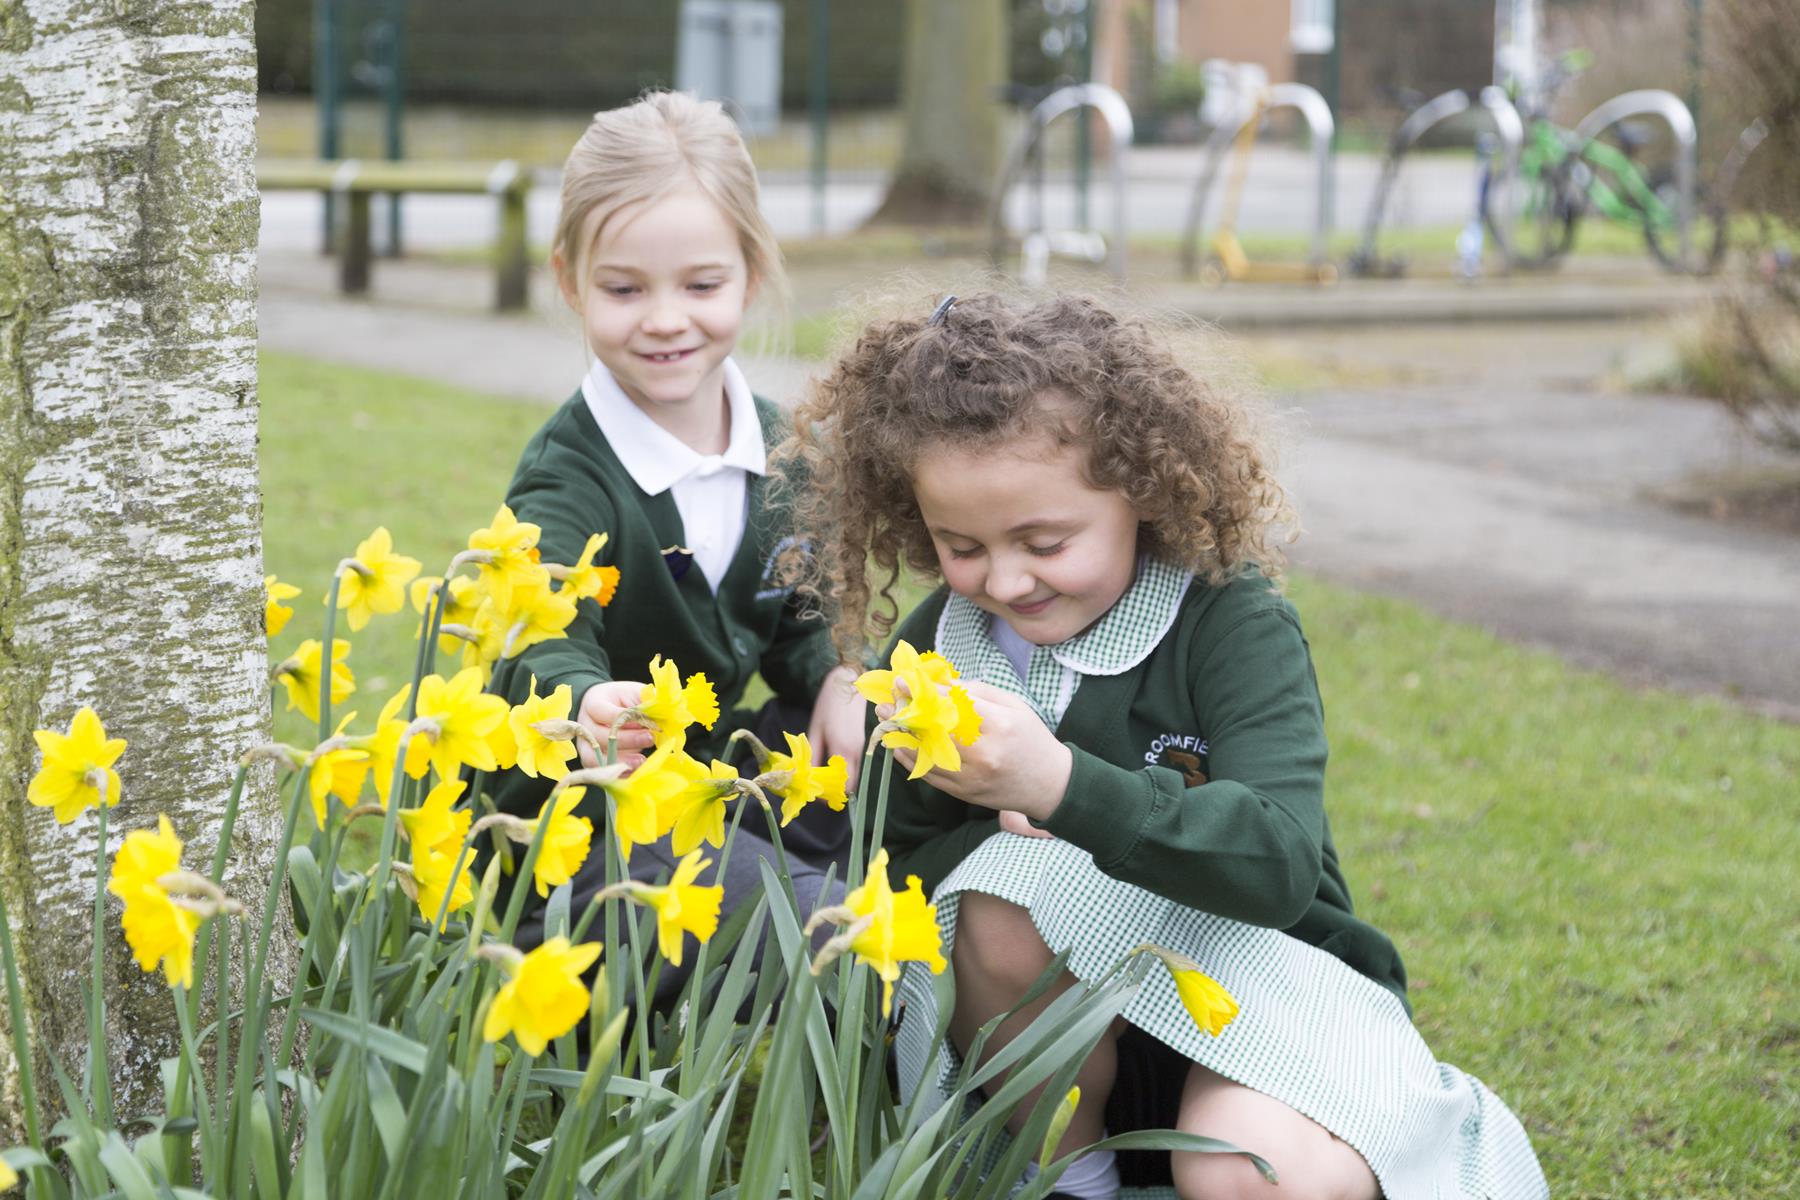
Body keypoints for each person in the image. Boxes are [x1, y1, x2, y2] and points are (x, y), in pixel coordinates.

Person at [776, 291, 1547, 1200]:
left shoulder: (1229, 621)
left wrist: (1063, 788)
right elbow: (898, 863)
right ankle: (1073, 1181)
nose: (1007, 577)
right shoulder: (944, 643)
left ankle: (1404, 1139)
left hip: (1261, 992)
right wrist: (1001, 846)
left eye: (1044, 540)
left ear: (1140, 491)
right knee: (998, 896)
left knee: (1246, 1176)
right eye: (962, 546)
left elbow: (1279, 861)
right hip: (1059, 1062)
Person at [484, 91, 865, 997]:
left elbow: (798, 624)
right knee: (819, 923)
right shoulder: (567, 479)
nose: (664, 319)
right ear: (570, 281)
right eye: (624, 289)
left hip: (707, 778)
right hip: (594, 824)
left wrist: (843, 677)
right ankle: (840, 955)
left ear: (751, 277)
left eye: (700, 285)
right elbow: (536, 642)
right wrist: (586, 701)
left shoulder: (784, 455)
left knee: (897, 794)